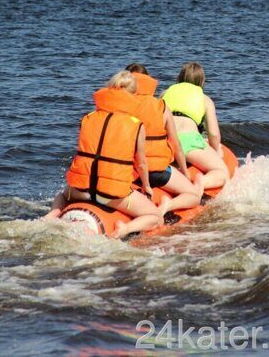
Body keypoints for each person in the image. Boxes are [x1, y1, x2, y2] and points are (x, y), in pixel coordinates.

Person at [43, 70, 163, 239]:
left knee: (62, 194)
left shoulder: (88, 117)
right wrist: (147, 186)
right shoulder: (135, 125)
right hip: (109, 195)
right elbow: (141, 164)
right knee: (155, 217)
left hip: (79, 190)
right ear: (134, 95)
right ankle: (124, 230)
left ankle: (51, 216)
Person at [124, 63, 203, 215]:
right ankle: (168, 205)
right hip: (157, 171)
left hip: (129, 171)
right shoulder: (161, 107)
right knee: (194, 196)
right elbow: (176, 144)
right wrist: (185, 173)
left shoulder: (120, 108)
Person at [162, 62, 229, 190]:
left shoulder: (165, 93)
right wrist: (216, 151)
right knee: (222, 172)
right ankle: (201, 182)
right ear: (201, 82)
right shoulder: (205, 99)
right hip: (188, 142)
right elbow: (214, 135)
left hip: (165, 141)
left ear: (180, 78)